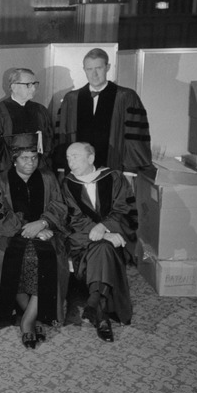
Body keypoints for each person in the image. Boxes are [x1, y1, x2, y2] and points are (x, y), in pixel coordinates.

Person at [0, 134, 69, 349]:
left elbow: (59, 206)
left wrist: (44, 223)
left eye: (34, 158)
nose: (31, 163)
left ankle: (27, 320)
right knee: (12, 258)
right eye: (25, 158)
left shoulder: (47, 177)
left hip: (46, 232)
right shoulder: (0, 179)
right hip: (10, 234)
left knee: (47, 258)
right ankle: (34, 318)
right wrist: (31, 229)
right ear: (14, 159)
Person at [61, 142, 136, 342]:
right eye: (68, 157)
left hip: (111, 238)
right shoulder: (67, 184)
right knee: (103, 247)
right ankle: (99, 309)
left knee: (103, 248)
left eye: (75, 156)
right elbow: (73, 219)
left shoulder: (114, 178)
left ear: (91, 158)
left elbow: (125, 209)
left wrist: (105, 226)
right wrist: (101, 232)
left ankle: (96, 305)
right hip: (81, 241)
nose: (70, 162)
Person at [54, 48, 151, 172]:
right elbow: (62, 136)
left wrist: (130, 169)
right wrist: (63, 165)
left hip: (114, 166)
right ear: (84, 69)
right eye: (89, 69)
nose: (94, 74)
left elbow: (134, 137)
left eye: (99, 68)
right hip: (78, 170)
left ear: (108, 67)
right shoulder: (72, 99)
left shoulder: (126, 97)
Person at [0, 68, 55, 176]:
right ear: (14, 87)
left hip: (37, 169)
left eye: (35, 84)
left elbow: (49, 141)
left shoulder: (40, 110)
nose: (33, 88)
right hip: (7, 170)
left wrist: (41, 164)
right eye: (28, 84)